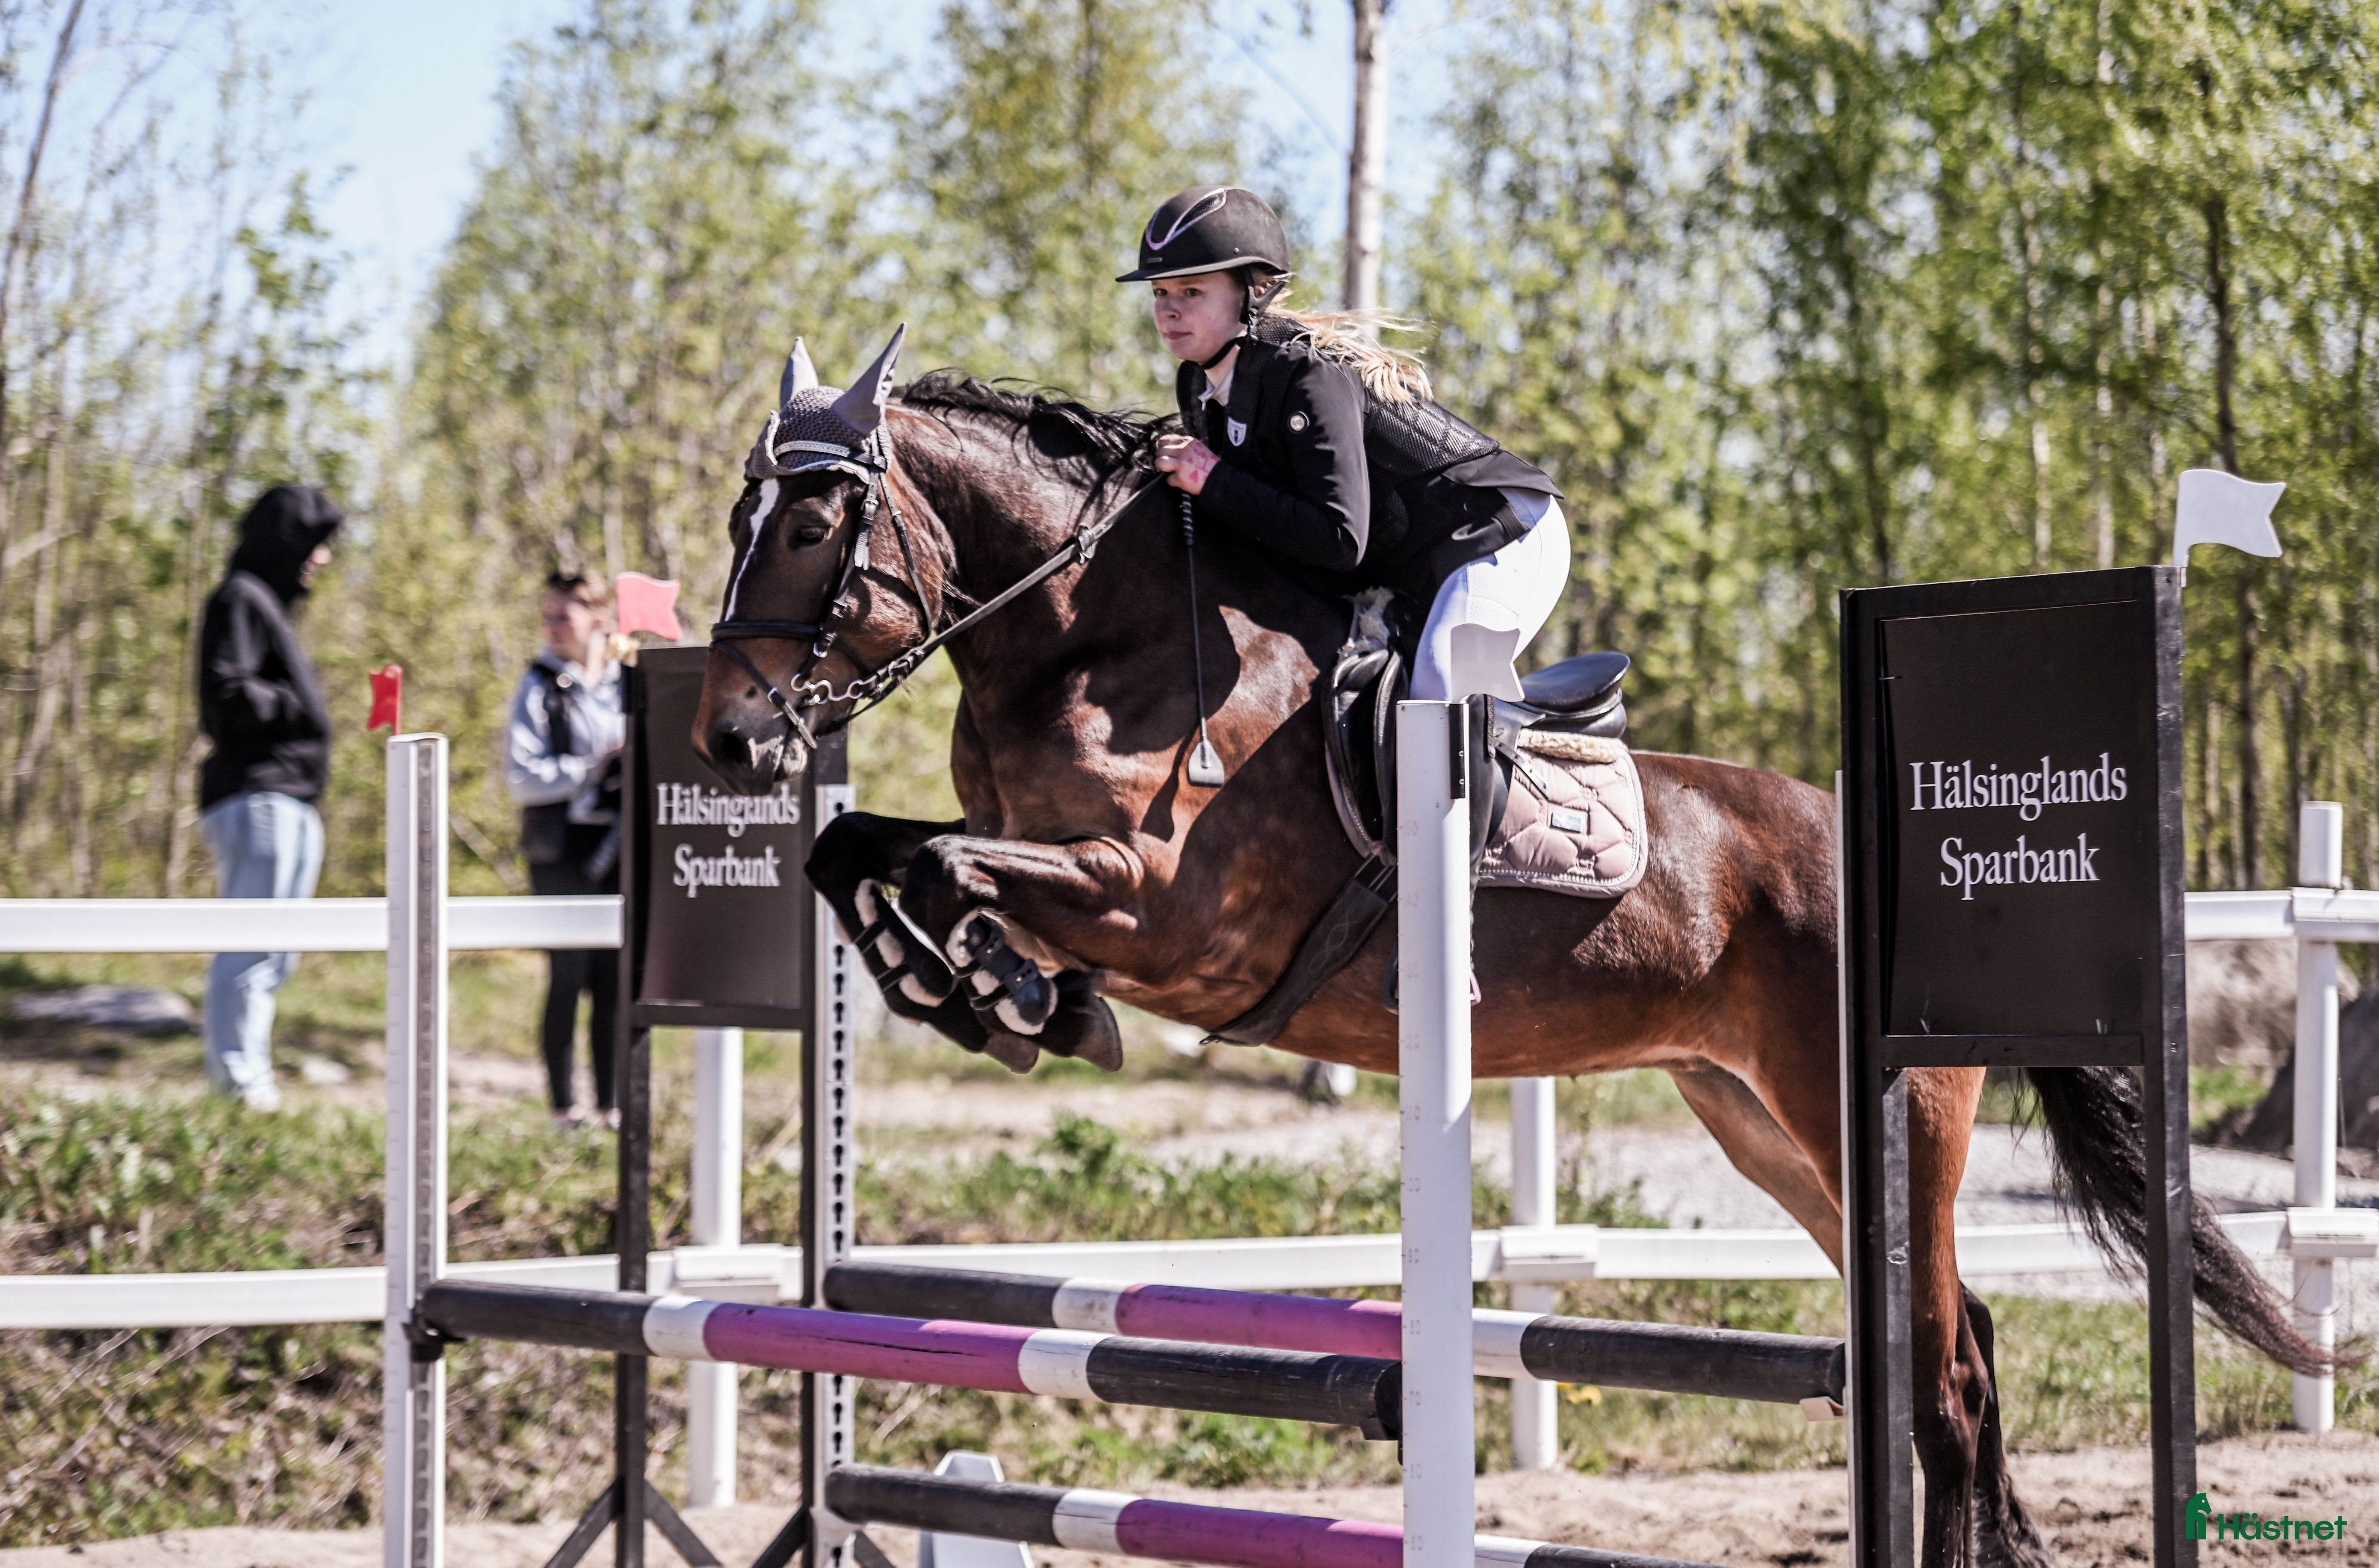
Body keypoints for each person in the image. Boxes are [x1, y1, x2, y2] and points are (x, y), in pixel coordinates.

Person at [1123, 185, 1571, 703]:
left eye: (1191, 292)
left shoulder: (1309, 376)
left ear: (1255, 292)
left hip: (1501, 532)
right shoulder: (1198, 386)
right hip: (1421, 558)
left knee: (1439, 684)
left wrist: (1214, 479)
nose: (1169, 310)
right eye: (1160, 293)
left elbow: (1338, 536)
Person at [196, 484, 346, 1110]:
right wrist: (296, 707)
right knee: (253, 945)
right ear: (289, 541)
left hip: (289, 800)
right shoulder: (240, 598)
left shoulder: (266, 606)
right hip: (259, 797)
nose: (324, 559)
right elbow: (225, 693)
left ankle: (250, 1074)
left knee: (276, 953)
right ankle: (238, 1082)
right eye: (316, 544)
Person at [505, 571, 625, 1131]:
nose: (551, 627)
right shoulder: (537, 685)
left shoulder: (629, 682)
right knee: (567, 973)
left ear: (598, 619)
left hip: (619, 845)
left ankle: (611, 1105)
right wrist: (589, 770)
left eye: (563, 616)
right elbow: (520, 776)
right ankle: (563, 1107)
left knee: (612, 978)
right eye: (547, 615)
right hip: (561, 849)